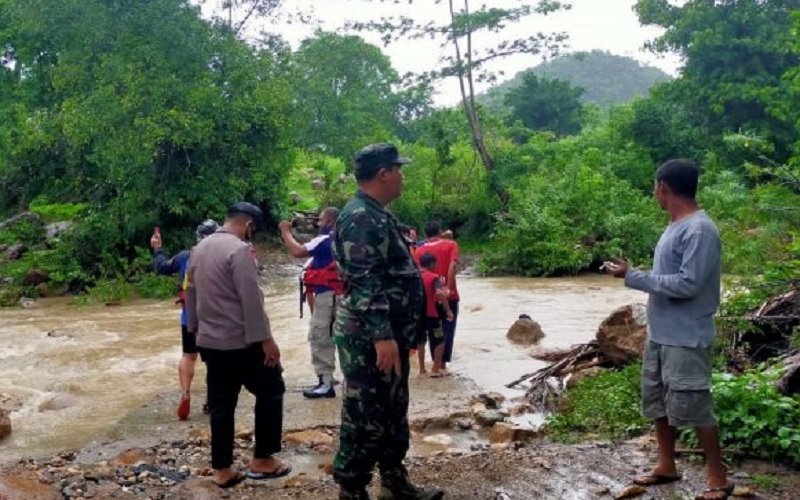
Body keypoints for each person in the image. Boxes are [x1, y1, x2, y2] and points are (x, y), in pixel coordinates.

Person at [605, 159, 731, 500]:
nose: (654, 193)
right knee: (658, 401)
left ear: (663, 187)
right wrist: (634, 275)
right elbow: (670, 277)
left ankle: (718, 477)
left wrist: (634, 276)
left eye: (654, 187)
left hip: (686, 336)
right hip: (661, 334)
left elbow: (689, 284)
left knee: (696, 403)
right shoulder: (675, 226)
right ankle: (666, 464)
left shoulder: (699, 230)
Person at [333, 143, 444, 500]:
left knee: (393, 408)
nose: (402, 177)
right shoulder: (360, 217)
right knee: (366, 413)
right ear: (383, 174)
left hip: (388, 334)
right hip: (369, 337)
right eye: (399, 170)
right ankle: (352, 489)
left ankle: (394, 482)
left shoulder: (376, 214)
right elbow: (364, 279)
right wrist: (382, 336)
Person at [185, 202, 290, 489]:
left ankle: (222, 469)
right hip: (242, 342)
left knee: (221, 404)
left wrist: (195, 331)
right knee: (271, 390)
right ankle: (263, 460)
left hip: (210, 342)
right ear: (249, 225)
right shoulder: (240, 250)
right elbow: (251, 299)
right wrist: (267, 340)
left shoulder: (198, 249)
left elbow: (190, 293)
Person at [151, 219, 219, 420]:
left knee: (188, 356)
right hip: (214, 317)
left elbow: (161, 267)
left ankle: (186, 392)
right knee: (214, 360)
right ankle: (211, 401)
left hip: (189, 316)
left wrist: (157, 248)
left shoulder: (185, 257)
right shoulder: (223, 256)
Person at [279, 207, 342, 399]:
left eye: (321, 220)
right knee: (342, 337)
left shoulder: (324, 239)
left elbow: (297, 251)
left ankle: (325, 384)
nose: (318, 223)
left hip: (329, 296)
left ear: (330, 222)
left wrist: (285, 231)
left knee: (320, 336)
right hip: (341, 296)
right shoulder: (344, 239)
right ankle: (348, 380)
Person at [419, 221, 460, 374]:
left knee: (431, 332)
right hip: (449, 294)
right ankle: (441, 364)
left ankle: (427, 366)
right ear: (440, 231)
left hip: (427, 298)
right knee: (447, 328)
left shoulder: (419, 250)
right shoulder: (451, 245)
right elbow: (452, 266)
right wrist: (448, 287)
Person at [416, 252, 454, 378]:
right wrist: (448, 310)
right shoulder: (434, 277)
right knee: (440, 340)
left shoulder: (414, 276)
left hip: (417, 315)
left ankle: (422, 369)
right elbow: (439, 293)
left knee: (421, 341)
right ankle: (435, 369)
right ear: (432, 263)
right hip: (432, 314)